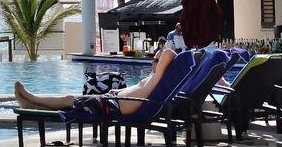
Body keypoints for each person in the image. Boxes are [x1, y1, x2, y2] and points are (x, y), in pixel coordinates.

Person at [13, 48, 177, 116]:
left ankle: (32, 98)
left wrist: (162, 55)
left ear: (163, 64)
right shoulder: (153, 78)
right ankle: (31, 106)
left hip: (111, 106)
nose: (152, 62)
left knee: (69, 100)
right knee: (69, 106)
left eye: (156, 60)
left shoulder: (157, 78)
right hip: (111, 101)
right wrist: (117, 92)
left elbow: (169, 53)